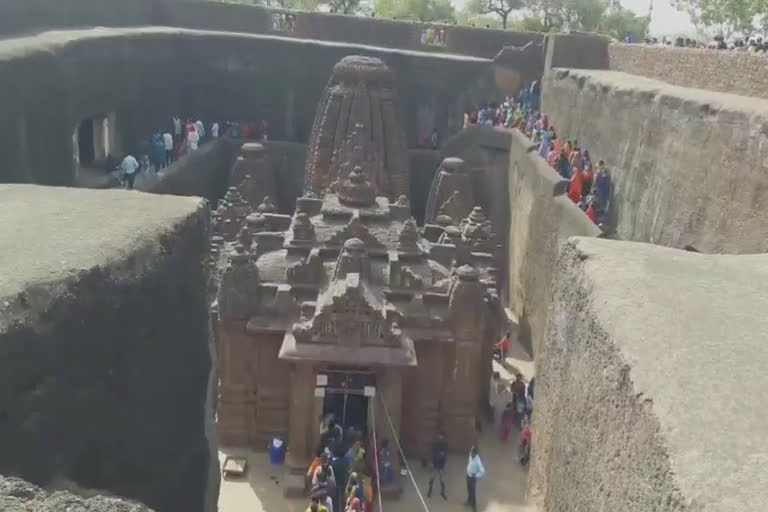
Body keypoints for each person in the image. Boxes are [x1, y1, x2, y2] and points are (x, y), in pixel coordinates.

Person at [426, 432, 447, 499]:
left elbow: (444, 455)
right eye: (440, 436)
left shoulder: (444, 445)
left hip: (440, 465)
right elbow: (433, 454)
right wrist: (432, 462)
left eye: (442, 436)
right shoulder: (435, 444)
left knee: (442, 479)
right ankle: (430, 490)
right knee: (432, 478)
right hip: (436, 464)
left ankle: (442, 492)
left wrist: (443, 463)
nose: (440, 437)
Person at [465, 446, 485, 512]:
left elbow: (482, 471)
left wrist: (476, 475)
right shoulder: (470, 456)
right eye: (471, 452)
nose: (471, 454)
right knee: (469, 489)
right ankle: (469, 501)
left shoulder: (478, 461)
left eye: (473, 453)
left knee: (473, 491)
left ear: (476, 454)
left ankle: (474, 505)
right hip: (468, 475)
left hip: (473, 478)